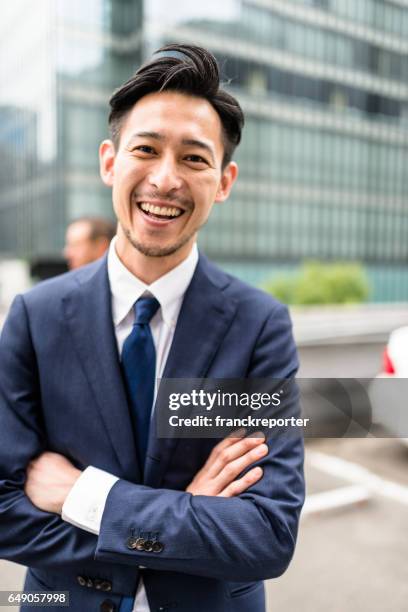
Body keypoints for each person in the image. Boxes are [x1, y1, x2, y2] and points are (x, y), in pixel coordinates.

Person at [0, 44, 304, 612]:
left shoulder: (260, 325)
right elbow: (2, 507)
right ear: (110, 161)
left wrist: (83, 494)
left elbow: (267, 534)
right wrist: (184, 518)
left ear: (224, 180)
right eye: (146, 149)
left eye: (194, 158)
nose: (165, 180)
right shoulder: (34, 317)